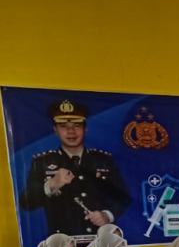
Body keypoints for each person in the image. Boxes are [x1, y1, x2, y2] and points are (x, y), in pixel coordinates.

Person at [20, 99, 132, 239]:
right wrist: (52, 184)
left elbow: (123, 197)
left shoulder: (104, 160)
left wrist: (107, 215)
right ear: (55, 130)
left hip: (101, 240)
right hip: (62, 242)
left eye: (77, 125)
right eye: (63, 126)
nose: (71, 131)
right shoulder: (42, 162)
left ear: (85, 129)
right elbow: (26, 203)